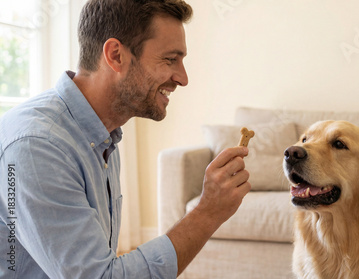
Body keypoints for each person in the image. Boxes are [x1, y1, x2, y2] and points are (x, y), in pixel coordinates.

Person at [0, 0, 251, 278]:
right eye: (170, 59)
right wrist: (207, 212)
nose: (182, 78)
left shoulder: (103, 134)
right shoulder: (39, 146)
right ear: (116, 55)